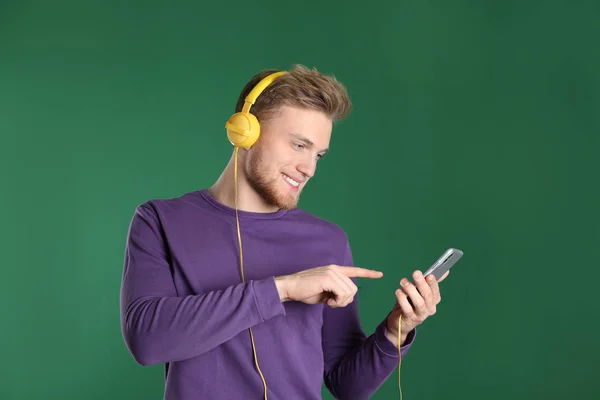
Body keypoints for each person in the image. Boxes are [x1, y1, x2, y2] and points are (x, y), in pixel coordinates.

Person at [119, 64, 449, 399]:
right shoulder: (160, 221)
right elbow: (147, 340)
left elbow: (347, 384)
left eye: (318, 154)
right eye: (298, 145)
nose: (309, 168)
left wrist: (397, 329)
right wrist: (284, 289)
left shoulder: (328, 241)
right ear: (246, 131)